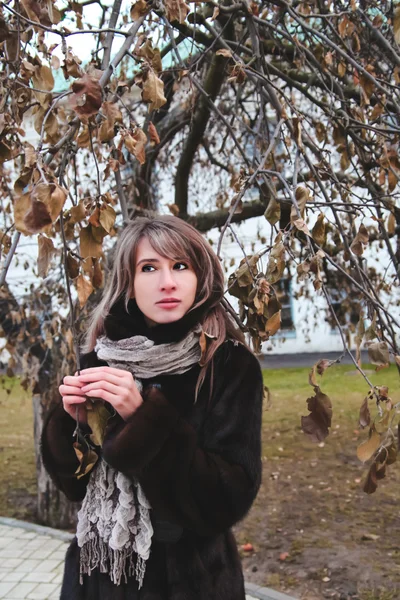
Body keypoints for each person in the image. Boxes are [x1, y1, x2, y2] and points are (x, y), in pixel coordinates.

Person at [41, 215, 264, 600]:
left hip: (189, 583)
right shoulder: (102, 357)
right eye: (149, 268)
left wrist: (142, 418)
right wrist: (71, 425)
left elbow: (227, 499)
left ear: (201, 277)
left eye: (181, 266)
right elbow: (74, 488)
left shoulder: (229, 366)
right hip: (98, 576)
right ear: (128, 281)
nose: (167, 282)